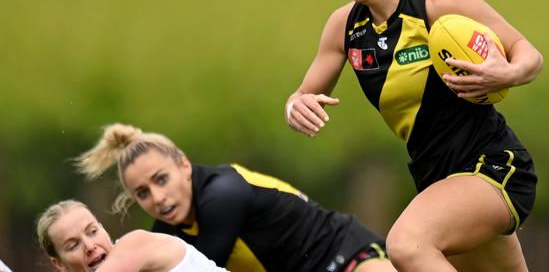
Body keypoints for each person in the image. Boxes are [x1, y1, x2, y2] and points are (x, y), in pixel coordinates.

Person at [284, 0, 543, 271]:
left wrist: (507, 73)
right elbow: (302, 95)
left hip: (492, 166)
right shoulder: (345, 26)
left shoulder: (439, 4)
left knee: (406, 244)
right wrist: (295, 107)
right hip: (436, 180)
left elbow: (530, 56)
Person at [74, 123, 396, 272]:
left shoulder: (222, 194)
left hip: (347, 257)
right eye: (142, 193)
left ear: (184, 165)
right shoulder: (167, 232)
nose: (157, 198)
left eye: (161, 179)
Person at [35, 199, 229, 272]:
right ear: (59, 264)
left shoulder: (136, 243)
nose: (90, 245)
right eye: (73, 245)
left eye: (92, 232)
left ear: (104, 230)